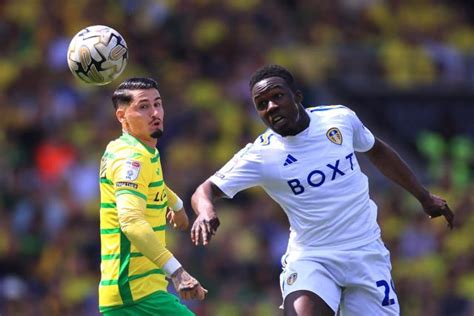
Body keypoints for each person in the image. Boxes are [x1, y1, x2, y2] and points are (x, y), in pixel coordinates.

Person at [190, 65, 454, 316]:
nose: (271, 107)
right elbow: (205, 190)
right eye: (262, 104)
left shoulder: (339, 119)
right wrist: (205, 211)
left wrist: (423, 196)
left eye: (277, 96)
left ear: (297, 96)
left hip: (365, 252)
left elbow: (376, 150)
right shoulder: (261, 154)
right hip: (313, 257)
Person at [98, 77, 207, 315]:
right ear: (121, 116)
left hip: (139, 292)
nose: (155, 112)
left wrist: (177, 205)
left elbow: (150, 184)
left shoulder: (129, 148)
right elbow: (131, 222)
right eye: (143, 107)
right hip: (135, 294)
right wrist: (177, 272)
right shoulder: (132, 159)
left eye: (158, 104)